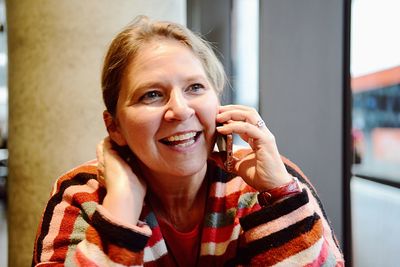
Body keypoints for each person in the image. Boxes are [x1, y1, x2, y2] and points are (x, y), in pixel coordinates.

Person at [32, 16, 344, 266]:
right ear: (114, 127)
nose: (180, 110)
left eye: (195, 87)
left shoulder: (269, 182)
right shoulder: (84, 194)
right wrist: (121, 210)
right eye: (151, 94)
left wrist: (280, 197)